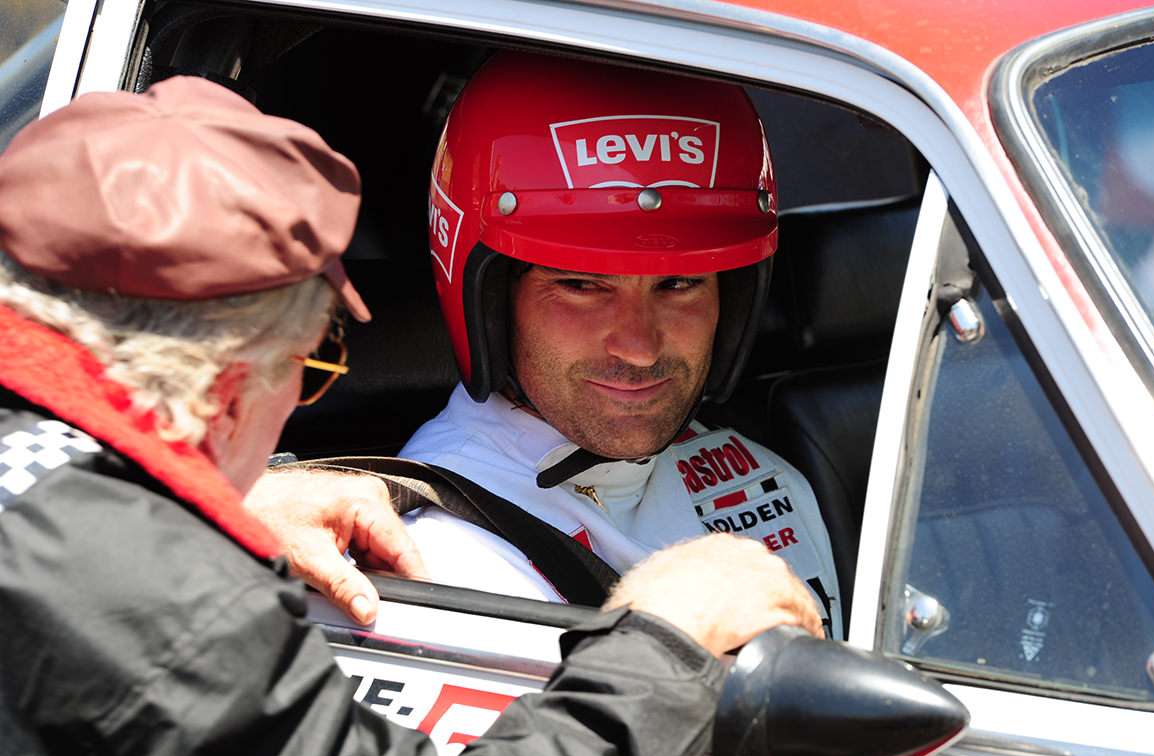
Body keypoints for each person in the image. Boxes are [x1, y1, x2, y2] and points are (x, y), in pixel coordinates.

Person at [0, 75, 823, 756]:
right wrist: (665, 643)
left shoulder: (85, 527)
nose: (639, 343)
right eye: (311, 371)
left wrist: (225, 496)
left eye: (680, 285)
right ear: (224, 396)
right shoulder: (171, 598)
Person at [249, 51, 843, 638]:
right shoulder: (428, 559)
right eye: (582, 285)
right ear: (491, 300)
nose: (638, 345)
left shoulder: (767, 484)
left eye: (679, 283)